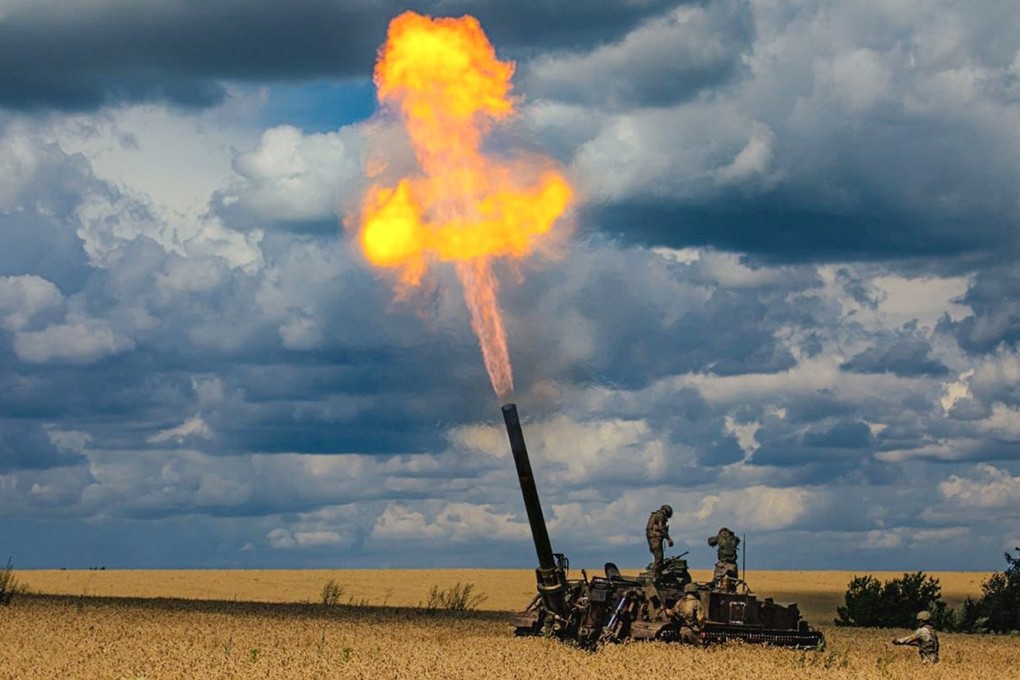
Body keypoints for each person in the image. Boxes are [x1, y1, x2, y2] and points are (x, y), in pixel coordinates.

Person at [646, 504, 674, 580]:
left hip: (651, 539)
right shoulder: (660, 516)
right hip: (655, 539)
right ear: (665, 511)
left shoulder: (654, 515)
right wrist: (669, 539)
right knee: (659, 559)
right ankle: (656, 578)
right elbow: (662, 528)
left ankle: (656, 576)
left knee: (657, 559)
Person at [707, 527, 740, 591]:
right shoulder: (733, 538)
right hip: (732, 564)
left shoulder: (720, 537)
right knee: (733, 582)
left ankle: (713, 591)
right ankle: (731, 591)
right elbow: (738, 540)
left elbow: (711, 542)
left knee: (715, 581)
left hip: (723, 563)